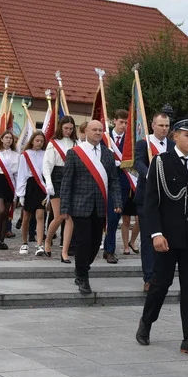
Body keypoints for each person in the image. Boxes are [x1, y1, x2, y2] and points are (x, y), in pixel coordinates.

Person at [136, 116, 188, 357]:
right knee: (161, 284)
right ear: (174, 136)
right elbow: (151, 202)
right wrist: (156, 233)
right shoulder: (160, 162)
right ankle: (146, 322)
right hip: (167, 236)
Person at [61, 120, 123, 294]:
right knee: (83, 241)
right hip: (80, 205)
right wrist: (64, 208)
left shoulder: (108, 154)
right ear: (86, 131)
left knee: (95, 243)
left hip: (100, 206)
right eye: (94, 130)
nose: (97, 133)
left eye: (100, 130)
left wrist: (117, 202)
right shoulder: (75, 153)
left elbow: (114, 181)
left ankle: (82, 267)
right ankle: (82, 276)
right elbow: (67, 182)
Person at [134, 112, 174, 291]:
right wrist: (150, 174)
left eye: (167, 126)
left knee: (166, 236)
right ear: (153, 125)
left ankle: (161, 273)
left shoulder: (172, 145)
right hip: (146, 198)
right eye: (161, 125)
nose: (164, 129)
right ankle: (149, 277)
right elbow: (138, 163)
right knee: (149, 238)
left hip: (167, 199)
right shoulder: (144, 143)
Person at [43, 117, 79, 263]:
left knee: (69, 217)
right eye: (66, 128)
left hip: (71, 179)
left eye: (71, 128)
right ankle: (47, 240)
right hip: (56, 179)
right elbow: (46, 165)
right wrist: (48, 183)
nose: (68, 131)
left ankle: (64, 251)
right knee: (59, 216)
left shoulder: (76, 143)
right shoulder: (53, 144)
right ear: (60, 127)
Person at [102, 109, 130, 264]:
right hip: (104, 179)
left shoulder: (129, 140)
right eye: (121, 122)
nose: (123, 126)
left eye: (126, 123)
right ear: (114, 121)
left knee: (114, 218)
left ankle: (109, 250)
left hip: (122, 181)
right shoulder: (105, 137)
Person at [16, 131, 48, 255]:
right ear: (32, 141)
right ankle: (24, 243)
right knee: (26, 217)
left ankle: (39, 244)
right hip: (30, 186)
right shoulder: (25, 155)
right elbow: (22, 174)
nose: (39, 143)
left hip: (41, 186)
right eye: (37, 140)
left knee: (40, 216)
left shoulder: (46, 154)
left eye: (41, 141)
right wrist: (21, 194)